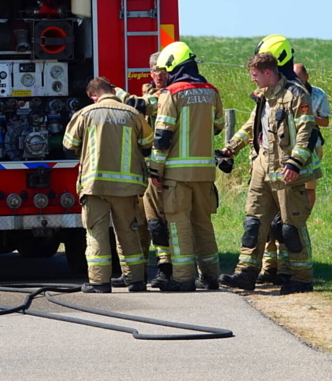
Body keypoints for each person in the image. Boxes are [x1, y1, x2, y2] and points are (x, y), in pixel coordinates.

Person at [218, 53, 321, 295]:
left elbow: (307, 131)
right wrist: (230, 148)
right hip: (262, 165)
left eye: (255, 75)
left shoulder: (295, 95)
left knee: (290, 228)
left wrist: (295, 163)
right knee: (253, 223)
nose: (252, 80)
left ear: (268, 72)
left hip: (286, 169)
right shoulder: (263, 97)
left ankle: (302, 279)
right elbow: (251, 127)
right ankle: (246, 273)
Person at [63, 77, 154, 293]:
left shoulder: (85, 114)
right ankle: (136, 280)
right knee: (128, 232)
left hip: (95, 186)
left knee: (97, 233)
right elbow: (148, 145)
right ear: (113, 91)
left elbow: (69, 145)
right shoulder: (133, 114)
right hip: (126, 188)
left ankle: (99, 282)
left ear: (93, 96)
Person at [148, 41, 225, 292]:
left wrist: (155, 170)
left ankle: (183, 278)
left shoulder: (172, 93)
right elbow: (219, 125)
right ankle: (211, 276)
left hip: (177, 175)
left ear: (173, 66)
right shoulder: (212, 91)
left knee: (178, 224)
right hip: (204, 172)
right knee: (203, 224)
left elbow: (162, 136)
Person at [110, 52, 170, 288]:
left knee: (160, 221)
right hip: (143, 170)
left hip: (164, 170)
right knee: (141, 222)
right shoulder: (150, 93)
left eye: (163, 70)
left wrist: (119, 93)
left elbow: (138, 105)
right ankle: (138, 272)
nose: (159, 74)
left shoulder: (169, 96)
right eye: (155, 69)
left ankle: (166, 267)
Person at [294, 62, 329, 211]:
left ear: (307, 77)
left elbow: (325, 122)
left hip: (313, 143)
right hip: (290, 144)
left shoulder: (318, 94)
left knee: (309, 185)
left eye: (299, 79)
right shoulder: (286, 92)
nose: (296, 83)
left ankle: (303, 220)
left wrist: (308, 117)